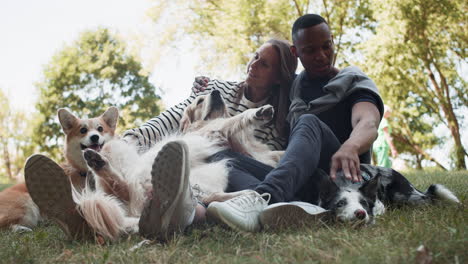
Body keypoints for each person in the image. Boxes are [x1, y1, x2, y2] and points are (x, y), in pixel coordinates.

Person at [24, 38, 298, 241]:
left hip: (212, 166)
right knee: (114, 148)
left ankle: (101, 217)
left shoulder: (276, 122)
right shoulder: (218, 88)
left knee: (212, 172)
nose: (253, 65)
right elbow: (167, 119)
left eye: (264, 63)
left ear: (278, 75)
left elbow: (268, 161)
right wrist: (127, 137)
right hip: (174, 160)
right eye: (254, 57)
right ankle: (97, 205)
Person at [201, 14, 385, 232]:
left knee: (308, 122)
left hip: (344, 180)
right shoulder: (293, 89)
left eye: (327, 46)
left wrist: (351, 145)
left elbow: (368, 121)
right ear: (295, 52)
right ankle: (281, 206)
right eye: (310, 50)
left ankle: (263, 199)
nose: (322, 56)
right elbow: (260, 79)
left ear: (333, 41)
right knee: (221, 157)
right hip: (300, 181)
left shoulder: (351, 80)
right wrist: (209, 84)